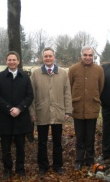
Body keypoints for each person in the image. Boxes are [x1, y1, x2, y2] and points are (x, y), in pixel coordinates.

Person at [29, 47, 73, 176]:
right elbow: (31, 94)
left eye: (50, 56)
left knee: (57, 141)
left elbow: (67, 93)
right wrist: (32, 112)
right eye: (46, 56)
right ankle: (43, 166)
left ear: (54, 57)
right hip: (41, 111)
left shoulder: (63, 73)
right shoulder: (36, 74)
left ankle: (57, 165)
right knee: (42, 141)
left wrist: (68, 110)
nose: (48, 58)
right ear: (43, 58)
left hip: (58, 111)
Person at [0, 51, 34, 180]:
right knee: (5, 147)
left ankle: (20, 169)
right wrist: (9, 108)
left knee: (21, 147)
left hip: (21, 117)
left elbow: (29, 96)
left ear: (18, 61)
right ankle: (7, 169)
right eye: (9, 60)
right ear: (6, 61)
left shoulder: (25, 77)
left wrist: (20, 108)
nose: (12, 62)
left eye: (14, 59)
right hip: (5, 117)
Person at [68, 46, 104, 170]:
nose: (88, 57)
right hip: (77, 108)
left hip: (92, 108)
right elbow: (69, 86)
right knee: (79, 137)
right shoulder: (73, 69)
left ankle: (90, 159)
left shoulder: (99, 70)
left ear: (93, 56)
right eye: (85, 55)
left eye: (90, 55)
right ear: (81, 55)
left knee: (90, 137)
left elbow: (101, 87)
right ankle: (79, 160)